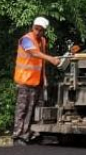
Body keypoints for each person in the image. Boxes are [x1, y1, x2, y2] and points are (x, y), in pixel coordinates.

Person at [12, 17, 60, 145]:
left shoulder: (42, 41)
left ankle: (29, 134)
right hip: (24, 80)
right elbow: (33, 53)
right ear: (32, 27)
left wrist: (44, 78)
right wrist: (51, 59)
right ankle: (17, 136)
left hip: (37, 81)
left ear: (44, 31)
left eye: (41, 30)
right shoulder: (26, 39)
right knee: (22, 109)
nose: (38, 32)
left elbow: (40, 62)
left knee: (34, 109)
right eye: (36, 29)